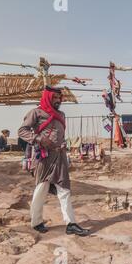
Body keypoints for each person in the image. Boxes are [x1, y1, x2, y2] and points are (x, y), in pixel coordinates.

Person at [18, 86, 90, 236]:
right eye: (54, 98)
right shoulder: (36, 112)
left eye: (59, 98)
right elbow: (22, 131)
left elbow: (60, 135)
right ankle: (36, 222)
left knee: (64, 190)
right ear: (48, 98)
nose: (58, 101)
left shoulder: (61, 114)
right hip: (44, 157)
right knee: (41, 189)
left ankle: (71, 223)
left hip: (60, 156)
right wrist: (38, 138)